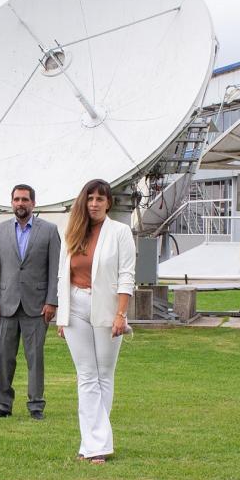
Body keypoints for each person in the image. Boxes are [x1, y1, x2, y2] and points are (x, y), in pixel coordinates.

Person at [55, 178, 135, 463]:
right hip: (75, 306)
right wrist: (62, 317)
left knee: (103, 375)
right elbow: (64, 274)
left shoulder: (120, 232)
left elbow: (126, 275)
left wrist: (121, 314)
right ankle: (95, 445)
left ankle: (92, 443)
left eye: (100, 199)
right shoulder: (74, 231)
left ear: (108, 203)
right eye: (90, 198)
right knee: (86, 376)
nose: (94, 204)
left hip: (106, 307)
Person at [0, 183, 61, 420]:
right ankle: (3, 405)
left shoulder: (49, 231)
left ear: (33, 203)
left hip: (37, 307)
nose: (20, 203)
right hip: (5, 305)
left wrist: (52, 301)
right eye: (16, 199)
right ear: (11, 203)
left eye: (25, 199)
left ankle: (36, 405)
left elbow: (55, 269)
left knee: (35, 359)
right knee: (3, 359)